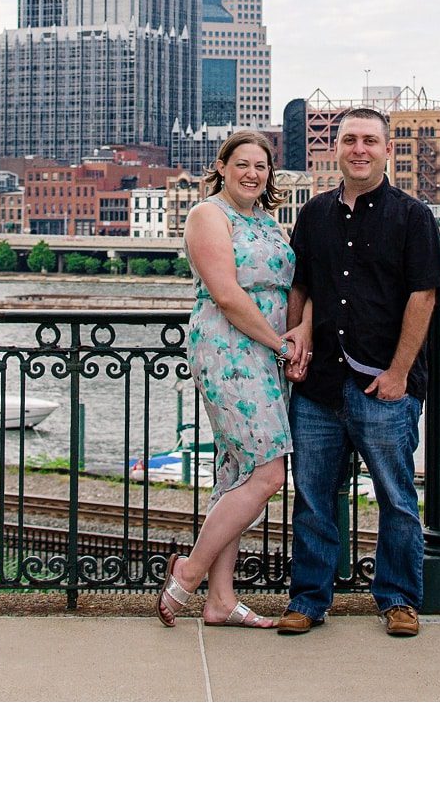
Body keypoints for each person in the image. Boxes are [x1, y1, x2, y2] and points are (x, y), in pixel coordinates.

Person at [276, 106, 440, 638]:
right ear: (337, 148)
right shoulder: (314, 214)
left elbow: (424, 296)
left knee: (396, 496)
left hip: (383, 384)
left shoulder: (413, 216)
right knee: (311, 495)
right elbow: (300, 285)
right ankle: (309, 599)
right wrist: (297, 332)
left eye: (370, 141)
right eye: (349, 139)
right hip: (320, 382)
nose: (359, 149)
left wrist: (400, 372)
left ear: (386, 149)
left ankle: (398, 599)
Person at [156, 130, 305, 628]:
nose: (251, 174)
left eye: (261, 167)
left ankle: (220, 600)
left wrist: (298, 334)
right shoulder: (208, 216)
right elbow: (226, 294)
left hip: (267, 353)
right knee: (268, 473)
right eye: (242, 164)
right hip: (229, 348)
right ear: (222, 166)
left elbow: (291, 288)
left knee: (236, 473)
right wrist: (281, 343)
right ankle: (189, 575)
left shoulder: (267, 222)